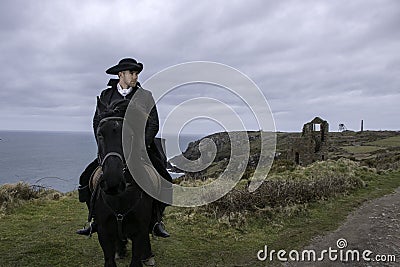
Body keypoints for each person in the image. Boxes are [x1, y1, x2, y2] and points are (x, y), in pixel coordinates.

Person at [77, 58, 171, 238]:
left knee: (165, 179)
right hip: (112, 151)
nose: (135, 77)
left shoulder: (145, 96)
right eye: (132, 73)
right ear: (121, 74)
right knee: (85, 179)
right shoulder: (105, 95)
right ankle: (94, 219)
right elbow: (97, 122)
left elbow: (153, 124)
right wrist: (104, 145)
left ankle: (156, 221)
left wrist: (141, 145)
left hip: (140, 150)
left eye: (137, 74)